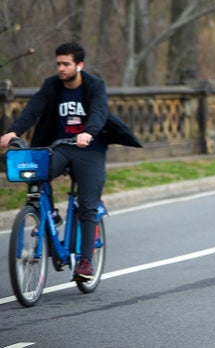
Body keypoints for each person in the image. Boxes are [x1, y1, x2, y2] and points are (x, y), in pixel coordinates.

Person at [0, 42, 140, 282]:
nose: (61, 69)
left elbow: (99, 111)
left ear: (79, 65)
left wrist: (89, 132)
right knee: (36, 173)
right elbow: (33, 109)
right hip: (61, 146)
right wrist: (14, 132)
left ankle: (84, 262)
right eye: (58, 64)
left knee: (87, 204)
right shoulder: (52, 86)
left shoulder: (94, 85)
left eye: (66, 64)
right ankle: (50, 213)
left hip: (90, 148)